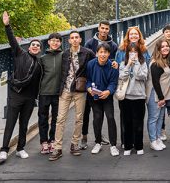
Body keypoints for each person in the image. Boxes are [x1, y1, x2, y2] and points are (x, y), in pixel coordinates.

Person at [0, 11, 42, 161]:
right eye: (33, 45)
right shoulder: (20, 53)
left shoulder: (40, 63)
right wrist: (7, 25)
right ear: (28, 47)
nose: (35, 46)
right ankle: (4, 149)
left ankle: (20, 148)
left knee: (24, 125)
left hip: (30, 98)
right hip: (16, 94)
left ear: (40, 50)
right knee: (10, 123)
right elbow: (12, 40)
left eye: (38, 45)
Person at [50, 30, 95, 161]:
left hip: (80, 90)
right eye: (72, 38)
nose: (74, 40)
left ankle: (74, 144)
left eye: (77, 37)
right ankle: (57, 148)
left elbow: (97, 64)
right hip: (65, 89)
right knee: (60, 119)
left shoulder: (87, 53)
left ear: (80, 40)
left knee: (79, 118)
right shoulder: (64, 54)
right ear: (69, 41)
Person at [81, 21, 116, 149]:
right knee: (91, 114)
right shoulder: (90, 43)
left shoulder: (113, 45)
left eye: (107, 28)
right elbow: (86, 64)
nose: (104, 30)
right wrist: (88, 87)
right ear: (98, 28)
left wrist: (109, 91)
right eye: (102, 28)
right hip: (92, 88)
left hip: (106, 88)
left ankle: (106, 140)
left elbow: (115, 62)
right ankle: (86, 138)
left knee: (107, 116)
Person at [86, 42, 120, 156]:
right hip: (94, 96)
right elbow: (88, 79)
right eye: (100, 52)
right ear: (96, 53)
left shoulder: (113, 66)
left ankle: (113, 145)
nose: (103, 54)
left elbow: (113, 82)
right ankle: (98, 142)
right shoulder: (90, 64)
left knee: (110, 117)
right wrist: (89, 88)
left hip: (106, 96)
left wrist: (108, 91)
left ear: (109, 54)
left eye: (105, 52)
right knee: (97, 118)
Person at [119, 42, 149, 155]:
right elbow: (122, 76)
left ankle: (139, 146)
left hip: (139, 97)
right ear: (127, 53)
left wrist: (136, 64)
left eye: (135, 52)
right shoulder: (123, 63)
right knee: (127, 123)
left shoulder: (143, 63)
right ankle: (127, 146)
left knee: (138, 123)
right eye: (130, 52)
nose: (133, 54)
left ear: (138, 53)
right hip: (126, 97)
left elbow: (141, 76)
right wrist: (128, 65)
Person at [38, 33, 63, 155]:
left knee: (56, 119)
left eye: (57, 41)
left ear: (60, 43)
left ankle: (53, 140)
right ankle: (44, 142)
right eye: (52, 40)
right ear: (48, 42)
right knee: (43, 118)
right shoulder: (42, 58)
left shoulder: (64, 56)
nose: (55, 43)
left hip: (58, 93)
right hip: (44, 92)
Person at [147, 39, 170, 151]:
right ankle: (153, 141)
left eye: (167, 46)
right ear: (158, 49)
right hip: (155, 95)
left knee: (160, 118)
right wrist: (161, 98)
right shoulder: (156, 63)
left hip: (163, 95)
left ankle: (158, 138)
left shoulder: (165, 60)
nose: (165, 48)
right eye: (162, 47)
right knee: (154, 118)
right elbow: (155, 82)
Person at [160, 24, 170, 142]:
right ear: (163, 33)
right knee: (161, 107)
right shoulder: (161, 45)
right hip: (163, 80)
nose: (169, 33)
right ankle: (162, 130)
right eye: (167, 32)